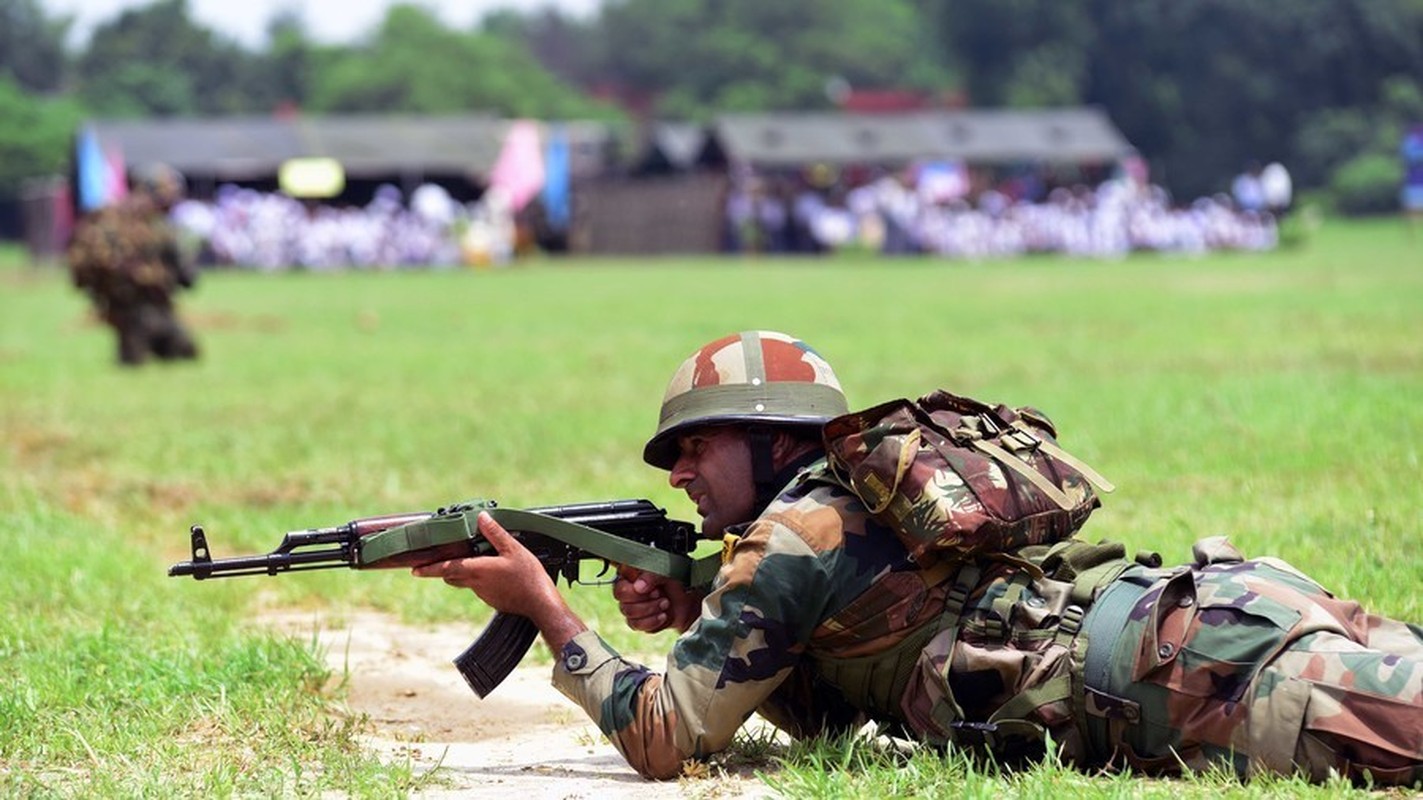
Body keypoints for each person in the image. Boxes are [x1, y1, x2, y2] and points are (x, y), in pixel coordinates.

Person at [413, 331, 1423, 785]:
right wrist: (703, 616)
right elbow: (838, 703)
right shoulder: (847, 501)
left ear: (775, 439)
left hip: (1200, 677)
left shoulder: (792, 533)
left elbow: (665, 739)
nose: (679, 467)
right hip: (1203, 622)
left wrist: (549, 609)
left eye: (698, 441)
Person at [67, 163, 200, 366]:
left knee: (173, 352)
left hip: (123, 305)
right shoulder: (155, 224)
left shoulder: (115, 215)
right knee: (175, 354)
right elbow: (185, 275)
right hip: (141, 306)